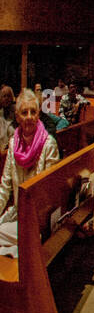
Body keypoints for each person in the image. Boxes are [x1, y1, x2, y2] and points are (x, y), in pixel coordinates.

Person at [0, 90, 62, 258]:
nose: (28, 117)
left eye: (33, 112)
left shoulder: (48, 144)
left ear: (38, 115)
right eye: (24, 112)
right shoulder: (13, 144)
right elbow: (5, 187)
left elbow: (50, 193)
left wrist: (32, 221)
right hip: (19, 213)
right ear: (18, 117)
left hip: (40, 218)